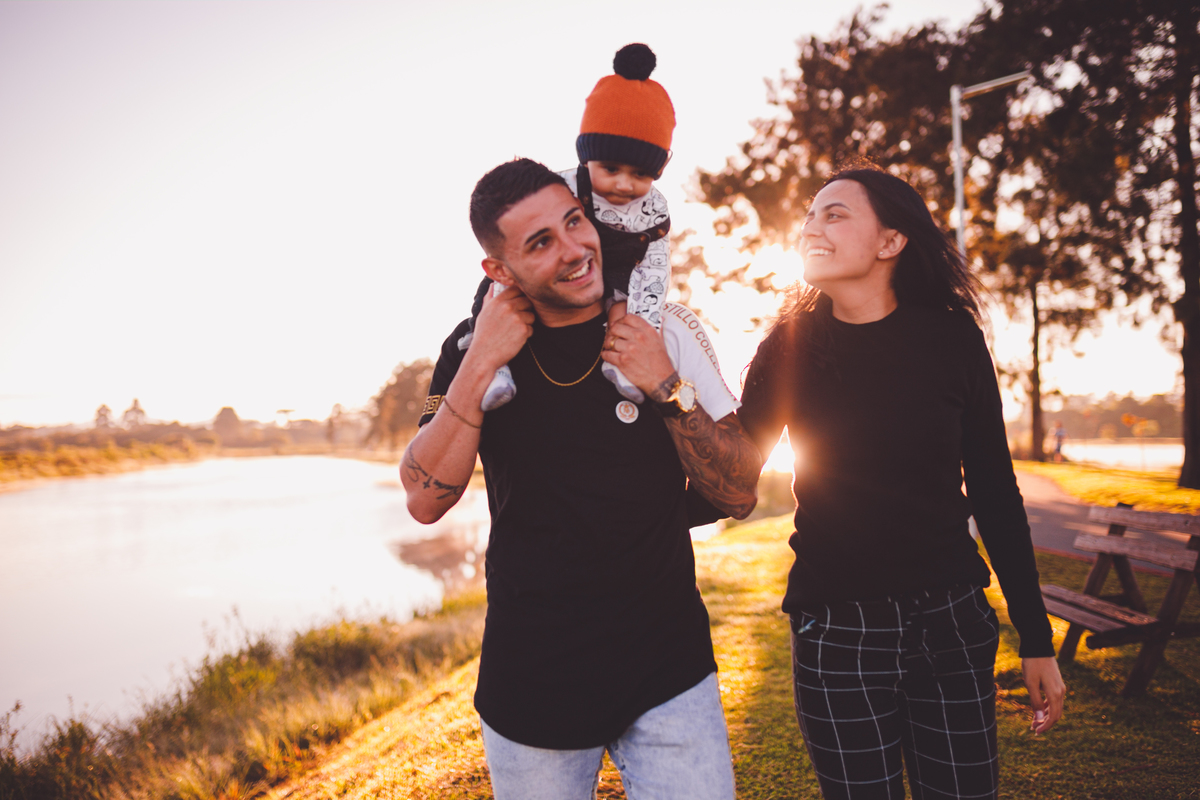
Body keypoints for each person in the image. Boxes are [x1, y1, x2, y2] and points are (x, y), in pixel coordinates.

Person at [401, 157, 762, 799]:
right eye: (541, 242)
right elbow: (425, 498)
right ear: (499, 270)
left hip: (668, 671)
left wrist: (665, 385)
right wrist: (484, 356)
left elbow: (739, 493)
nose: (575, 250)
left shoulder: (665, 330)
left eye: (575, 222)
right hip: (532, 680)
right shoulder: (467, 351)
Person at [737, 167, 1066, 800]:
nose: (812, 226)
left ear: (891, 242)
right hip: (836, 630)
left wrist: (1035, 637)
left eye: (835, 214)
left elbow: (996, 494)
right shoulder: (789, 347)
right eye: (810, 215)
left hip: (950, 623)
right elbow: (730, 480)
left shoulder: (952, 340)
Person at [461, 44, 738, 415]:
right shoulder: (563, 187)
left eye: (640, 175)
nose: (625, 184)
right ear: (586, 157)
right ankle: (496, 370)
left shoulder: (654, 209)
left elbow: (655, 266)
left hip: (616, 280)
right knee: (501, 300)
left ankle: (619, 365)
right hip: (546, 285)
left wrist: (646, 323)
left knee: (625, 311)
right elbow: (521, 232)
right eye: (611, 169)